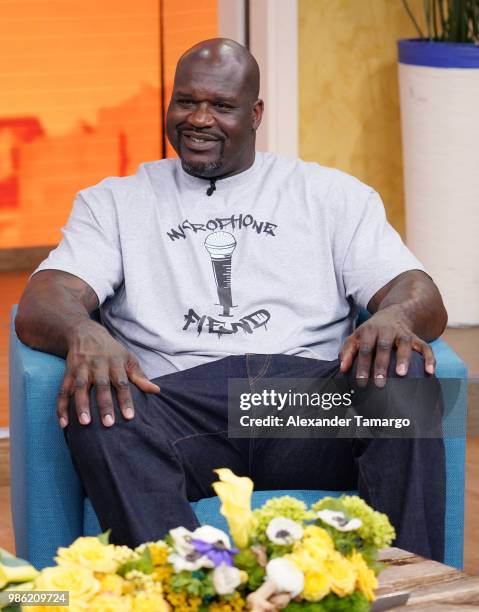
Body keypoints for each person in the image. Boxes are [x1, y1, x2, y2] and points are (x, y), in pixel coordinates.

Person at [16, 38, 448, 561]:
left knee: (402, 382)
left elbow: (419, 292)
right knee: (99, 407)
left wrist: (398, 315)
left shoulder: (331, 196)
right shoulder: (114, 203)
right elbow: (45, 298)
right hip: (177, 406)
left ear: (256, 112)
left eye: (221, 106)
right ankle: (194, 584)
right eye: (186, 101)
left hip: (302, 406)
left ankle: (408, 587)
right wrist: (82, 329)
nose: (199, 119)